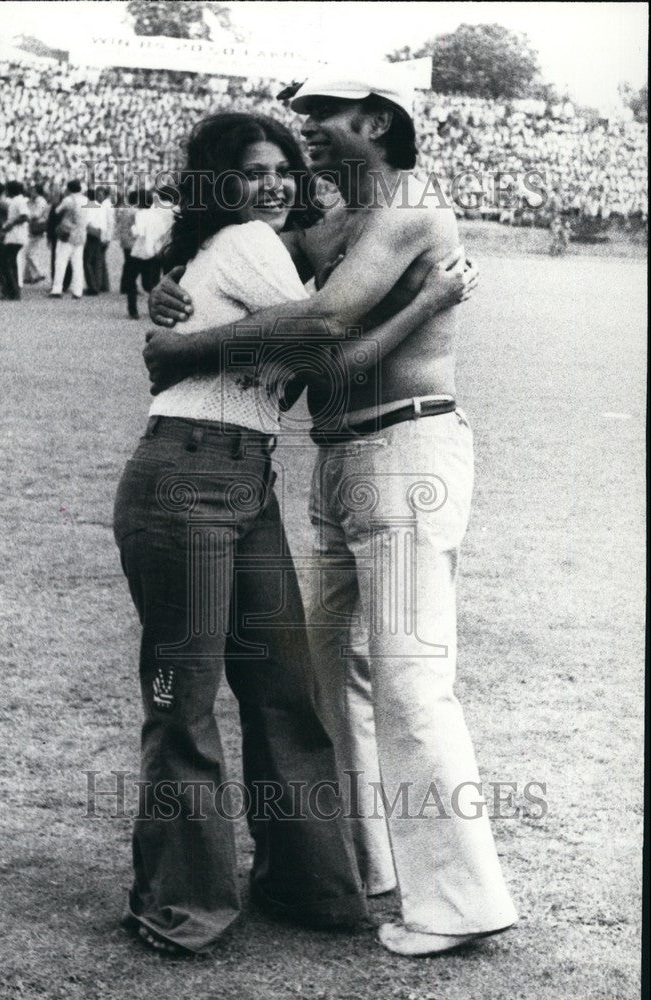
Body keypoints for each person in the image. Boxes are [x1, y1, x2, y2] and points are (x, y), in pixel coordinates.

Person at [146, 65, 517, 957]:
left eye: (324, 114)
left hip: (407, 447)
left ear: (381, 125)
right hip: (343, 462)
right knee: (328, 683)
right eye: (301, 112)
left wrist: (177, 349)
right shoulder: (335, 222)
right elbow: (237, 254)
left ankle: (462, 901)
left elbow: (322, 334)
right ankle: (370, 871)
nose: (304, 126)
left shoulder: (412, 213)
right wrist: (170, 286)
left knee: (407, 676)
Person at [123, 188, 170, 319]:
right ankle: (158, 308)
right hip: (153, 251)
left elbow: (139, 232)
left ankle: (133, 311)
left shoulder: (140, 214)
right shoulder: (156, 216)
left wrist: (133, 229)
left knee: (131, 280)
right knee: (149, 283)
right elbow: (162, 232)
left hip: (139, 251)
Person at [50, 179, 85, 299]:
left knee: (61, 261)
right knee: (77, 264)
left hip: (67, 233)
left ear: (68, 189)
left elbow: (57, 210)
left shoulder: (68, 200)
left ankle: (57, 289)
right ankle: (77, 291)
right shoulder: (85, 200)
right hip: (80, 234)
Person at [0, 180, 28, 300]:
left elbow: (25, 216)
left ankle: (13, 290)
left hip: (16, 236)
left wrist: (11, 224)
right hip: (15, 236)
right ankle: (14, 290)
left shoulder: (19, 201)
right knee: (11, 263)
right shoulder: (18, 200)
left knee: (6, 263)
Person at [24, 184, 49, 284]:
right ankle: (30, 276)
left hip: (37, 227)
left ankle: (39, 272)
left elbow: (36, 215)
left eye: (33, 191)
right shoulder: (33, 201)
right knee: (29, 252)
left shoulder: (41, 201)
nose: (31, 193)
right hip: (33, 226)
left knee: (29, 253)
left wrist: (26, 214)